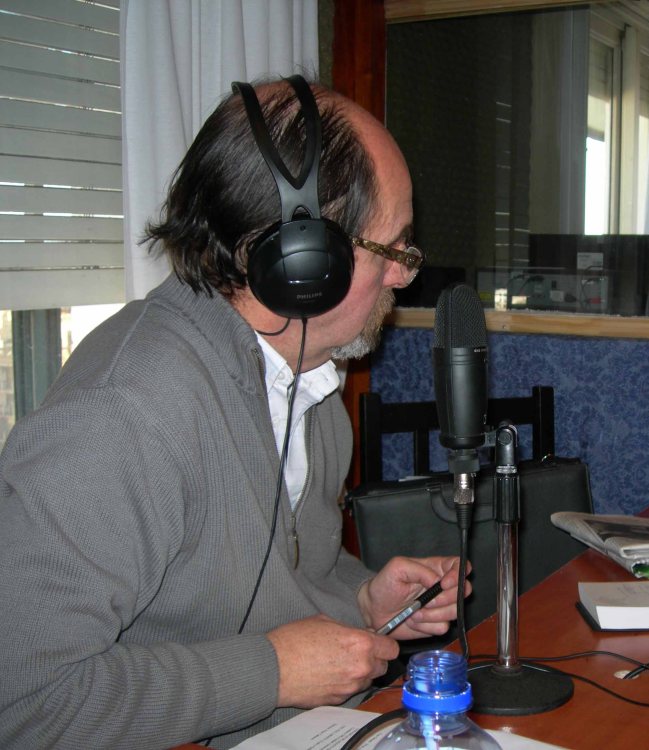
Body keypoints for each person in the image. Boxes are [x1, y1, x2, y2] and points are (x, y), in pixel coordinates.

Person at [0, 77, 469, 748]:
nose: (403, 276)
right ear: (303, 262)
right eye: (391, 251)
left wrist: (364, 599)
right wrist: (272, 673)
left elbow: (275, 577)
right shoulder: (123, 414)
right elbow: (22, 700)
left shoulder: (310, 379)